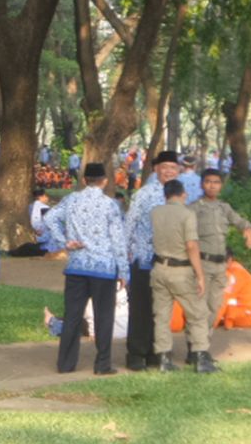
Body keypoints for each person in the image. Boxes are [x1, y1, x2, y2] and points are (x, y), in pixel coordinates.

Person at [43, 162, 127, 375]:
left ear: (83, 180)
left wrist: (65, 241)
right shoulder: (110, 205)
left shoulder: (71, 200)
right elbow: (118, 240)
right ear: (105, 181)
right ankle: (102, 364)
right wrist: (124, 271)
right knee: (104, 317)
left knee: (72, 315)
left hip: (76, 266)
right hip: (104, 268)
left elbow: (49, 217)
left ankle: (65, 364)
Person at [150, 180, 216, 373]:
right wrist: (200, 274)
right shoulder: (187, 214)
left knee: (162, 316)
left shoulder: (155, 212)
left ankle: (164, 358)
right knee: (198, 314)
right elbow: (191, 246)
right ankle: (201, 357)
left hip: (159, 268)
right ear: (183, 194)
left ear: (165, 195)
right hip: (181, 270)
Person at [123, 150, 180, 371]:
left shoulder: (181, 195)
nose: (168, 171)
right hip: (144, 259)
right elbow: (130, 223)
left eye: (172, 168)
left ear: (178, 171)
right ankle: (136, 354)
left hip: (170, 262)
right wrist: (125, 253)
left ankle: (157, 353)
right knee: (141, 308)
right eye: (164, 167)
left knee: (163, 309)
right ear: (156, 169)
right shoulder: (144, 194)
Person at [191, 168, 251, 358]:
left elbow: (240, 221)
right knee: (199, 308)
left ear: (221, 185)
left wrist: (248, 230)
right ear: (202, 184)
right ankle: (197, 350)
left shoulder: (224, 208)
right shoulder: (194, 208)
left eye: (216, 182)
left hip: (221, 266)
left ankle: (201, 345)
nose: (212, 186)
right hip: (202, 264)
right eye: (208, 182)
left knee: (214, 307)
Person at [215, 255, 251, 329]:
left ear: (229, 260)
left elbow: (223, 299)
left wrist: (211, 324)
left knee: (220, 299)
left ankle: (223, 319)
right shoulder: (233, 268)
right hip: (244, 312)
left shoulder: (234, 275)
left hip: (246, 315)